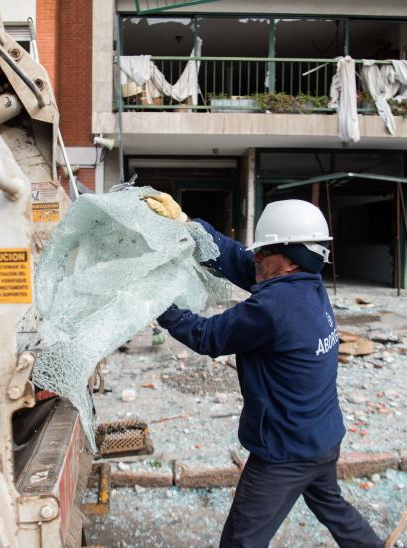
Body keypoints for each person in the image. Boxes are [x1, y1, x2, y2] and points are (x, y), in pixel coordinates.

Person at [143, 193, 383, 548]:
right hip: (322, 436)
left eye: (264, 251)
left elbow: (208, 336)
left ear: (290, 258)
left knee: (241, 540)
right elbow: (240, 260)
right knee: (334, 508)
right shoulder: (308, 285)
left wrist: (158, 302)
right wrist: (190, 227)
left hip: (285, 453)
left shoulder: (272, 307)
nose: (256, 255)